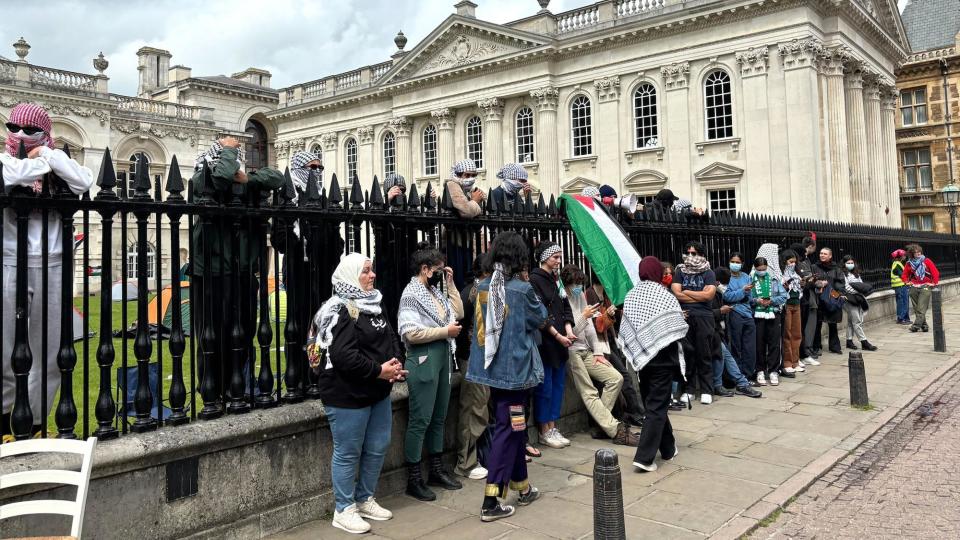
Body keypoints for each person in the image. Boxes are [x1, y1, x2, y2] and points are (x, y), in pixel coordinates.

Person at [1, 103, 94, 439]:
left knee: (50, 353)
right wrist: (40, 160)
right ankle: (4, 423)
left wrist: (51, 156)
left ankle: (37, 424)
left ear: (46, 133)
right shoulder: (6, 160)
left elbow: (84, 181)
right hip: (11, 260)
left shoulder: (57, 164)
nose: (21, 135)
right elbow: (12, 175)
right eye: (14, 128)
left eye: (30, 130)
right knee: (6, 349)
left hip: (53, 263)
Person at [310, 253, 404, 534]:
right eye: (365, 271)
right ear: (351, 276)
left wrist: (396, 364)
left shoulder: (375, 302)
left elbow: (390, 336)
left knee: (377, 446)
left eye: (372, 269)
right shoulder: (340, 309)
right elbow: (343, 356)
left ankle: (365, 498)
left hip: (377, 390)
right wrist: (379, 370)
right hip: (347, 394)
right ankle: (343, 509)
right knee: (348, 452)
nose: (372, 275)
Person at [191, 137, 284, 409]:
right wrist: (230, 150)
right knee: (211, 335)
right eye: (229, 155)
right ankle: (211, 393)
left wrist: (248, 179)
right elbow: (218, 178)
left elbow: (277, 178)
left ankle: (237, 388)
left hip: (242, 271)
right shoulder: (201, 178)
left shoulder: (243, 183)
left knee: (243, 333)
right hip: (209, 271)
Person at [466, 231, 546, 521]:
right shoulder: (521, 290)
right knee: (508, 428)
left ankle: (522, 486)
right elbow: (540, 318)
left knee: (514, 426)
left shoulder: (482, 286)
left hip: (491, 370)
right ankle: (491, 500)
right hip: (515, 372)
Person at [397, 243, 465, 501]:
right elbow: (410, 332)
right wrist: (443, 332)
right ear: (424, 269)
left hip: (442, 357)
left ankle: (436, 469)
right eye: (437, 269)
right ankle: (414, 478)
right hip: (424, 358)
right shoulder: (411, 294)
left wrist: (450, 283)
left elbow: (457, 312)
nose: (439, 273)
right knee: (420, 420)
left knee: (438, 417)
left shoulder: (435, 292)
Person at [620, 256, 688, 472]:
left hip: (643, 361)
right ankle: (645, 457)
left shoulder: (631, 295)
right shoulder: (663, 294)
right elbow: (678, 325)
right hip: (663, 361)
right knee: (657, 407)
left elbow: (628, 327)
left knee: (654, 403)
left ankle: (668, 448)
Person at [560, 264, 639, 446]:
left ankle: (601, 424)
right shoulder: (563, 298)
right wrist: (584, 316)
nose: (578, 287)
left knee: (616, 378)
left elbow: (589, 330)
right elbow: (570, 334)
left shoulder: (580, 296)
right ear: (568, 283)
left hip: (586, 350)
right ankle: (614, 428)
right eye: (575, 283)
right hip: (572, 351)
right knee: (589, 391)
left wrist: (597, 352)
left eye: (580, 283)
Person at [529, 241, 575, 449]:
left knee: (557, 385)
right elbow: (540, 314)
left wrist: (569, 328)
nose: (558, 260)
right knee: (545, 387)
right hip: (547, 342)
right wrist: (558, 336)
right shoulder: (535, 280)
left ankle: (553, 425)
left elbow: (565, 304)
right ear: (544, 257)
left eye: (559, 256)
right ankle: (544, 429)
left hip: (560, 340)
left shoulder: (556, 280)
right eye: (555, 256)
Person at [585, 279, 645, 427]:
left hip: (610, 341)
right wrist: (607, 315)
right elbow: (596, 325)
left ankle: (630, 413)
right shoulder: (590, 294)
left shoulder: (606, 294)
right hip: (600, 345)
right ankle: (633, 414)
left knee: (621, 378)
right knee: (622, 377)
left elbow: (613, 321)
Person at [455, 254, 491, 480]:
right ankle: (465, 463)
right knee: (473, 409)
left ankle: (476, 457)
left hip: (482, 357)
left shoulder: (483, 291)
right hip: (471, 358)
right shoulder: (470, 293)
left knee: (481, 407)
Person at [672, 241, 717, 404]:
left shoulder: (708, 272)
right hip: (685, 316)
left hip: (704, 317)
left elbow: (709, 296)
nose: (691, 256)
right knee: (688, 353)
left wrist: (688, 291)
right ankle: (689, 389)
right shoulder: (680, 271)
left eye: (694, 253)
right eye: (688, 253)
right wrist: (698, 294)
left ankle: (707, 389)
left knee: (704, 353)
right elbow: (676, 293)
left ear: (701, 255)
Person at [713, 267, 762, 398]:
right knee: (726, 354)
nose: (723, 287)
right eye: (722, 284)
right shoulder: (710, 292)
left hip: (717, 329)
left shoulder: (716, 292)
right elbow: (705, 313)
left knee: (723, 355)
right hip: (709, 329)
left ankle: (726, 384)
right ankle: (739, 383)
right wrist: (720, 311)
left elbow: (749, 297)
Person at [751, 256, 787, 386]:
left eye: (764, 269)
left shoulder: (773, 279)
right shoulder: (751, 280)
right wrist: (757, 301)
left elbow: (784, 296)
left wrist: (771, 301)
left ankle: (773, 371)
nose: (762, 271)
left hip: (773, 313)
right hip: (758, 315)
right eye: (759, 269)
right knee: (759, 344)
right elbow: (748, 298)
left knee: (774, 344)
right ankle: (760, 370)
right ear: (755, 268)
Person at [723, 252, 757, 380]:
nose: (735, 264)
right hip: (734, 312)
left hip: (747, 313)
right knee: (736, 346)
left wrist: (743, 294)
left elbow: (750, 297)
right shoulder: (726, 277)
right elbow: (727, 296)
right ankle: (736, 376)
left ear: (742, 264)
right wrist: (742, 291)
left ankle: (748, 374)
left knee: (749, 347)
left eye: (738, 262)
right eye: (733, 262)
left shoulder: (746, 277)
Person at [812, 247, 845, 355]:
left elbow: (840, 283)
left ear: (830, 256)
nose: (822, 255)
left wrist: (836, 295)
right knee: (817, 325)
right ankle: (816, 346)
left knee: (833, 324)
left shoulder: (836, 268)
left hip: (832, 300)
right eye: (821, 253)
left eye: (825, 254)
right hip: (819, 299)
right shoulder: (814, 267)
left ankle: (834, 346)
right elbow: (812, 281)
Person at [841, 255, 878, 351]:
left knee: (851, 321)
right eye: (848, 263)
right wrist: (859, 291)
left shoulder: (856, 274)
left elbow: (861, 285)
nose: (850, 265)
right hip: (849, 300)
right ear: (844, 264)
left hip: (858, 299)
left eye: (851, 263)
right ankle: (864, 342)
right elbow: (846, 288)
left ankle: (849, 341)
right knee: (857, 321)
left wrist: (860, 291)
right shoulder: (843, 274)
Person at [902, 244, 940, 333]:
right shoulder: (909, 263)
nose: (918, 253)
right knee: (916, 308)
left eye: (919, 251)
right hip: (914, 287)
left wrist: (934, 283)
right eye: (915, 252)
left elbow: (935, 272)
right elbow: (904, 275)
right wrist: (907, 282)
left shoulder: (927, 261)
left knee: (921, 307)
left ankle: (916, 326)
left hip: (926, 286)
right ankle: (924, 325)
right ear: (912, 254)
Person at [780, 250, 804, 377]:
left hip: (797, 304)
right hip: (787, 305)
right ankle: (787, 362)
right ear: (785, 262)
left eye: (795, 262)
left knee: (797, 333)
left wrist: (802, 283)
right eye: (790, 262)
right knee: (787, 334)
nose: (793, 264)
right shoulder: (781, 274)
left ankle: (795, 361)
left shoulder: (796, 273)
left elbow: (800, 288)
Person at [890, 249, 911, 325]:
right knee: (902, 302)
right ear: (900, 256)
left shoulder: (898, 263)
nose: (905, 256)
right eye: (904, 255)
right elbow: (902, 275)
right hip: (900, 286)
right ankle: (901, 319)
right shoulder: (897, 264)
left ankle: (905, 318)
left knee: (904, 302)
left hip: (902, 286)